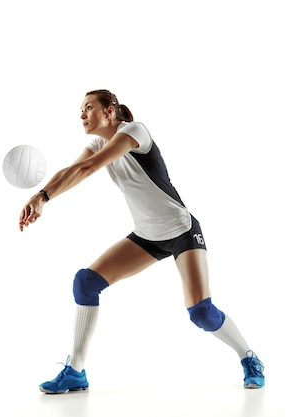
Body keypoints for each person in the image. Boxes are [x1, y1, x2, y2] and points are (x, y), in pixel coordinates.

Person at [18, 89, 265, 393]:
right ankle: (76, 371)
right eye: (80, 110)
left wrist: (43, 197)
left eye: (89, 107)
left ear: (110, 111)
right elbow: (71, 170)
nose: (82, 114)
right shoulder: (97, 143)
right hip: (147, 236)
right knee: (86, 282)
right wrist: (39, 196)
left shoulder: (134, 132)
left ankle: (249, 357)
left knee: (201, 312)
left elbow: (88, 168)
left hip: (181, 230)